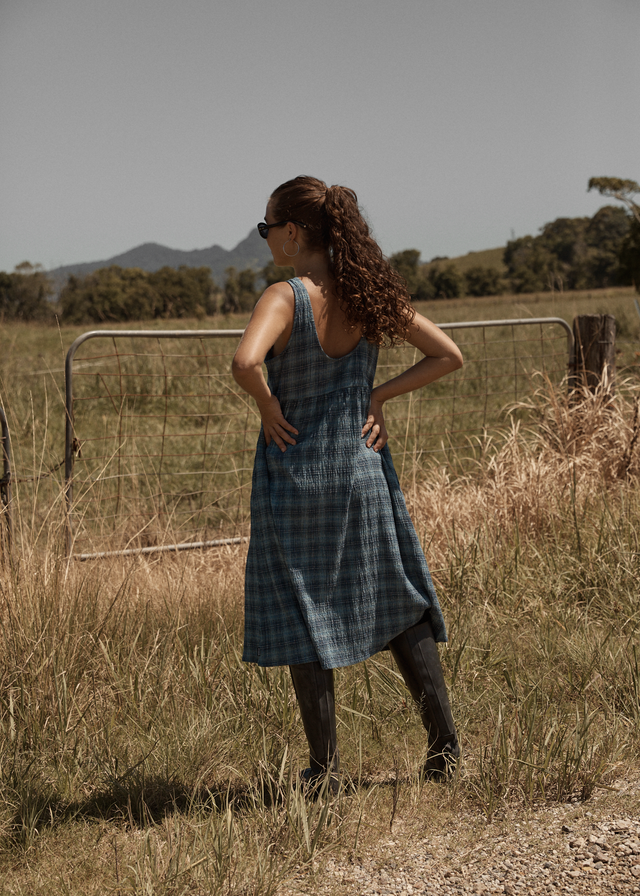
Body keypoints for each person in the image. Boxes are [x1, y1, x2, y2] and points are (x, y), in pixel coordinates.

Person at [232, 176, 463, 792]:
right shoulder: (364, 291)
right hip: (362, 470)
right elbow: (449, 354)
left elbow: (245, 362)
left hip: (297, 478)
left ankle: (326, 770)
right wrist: (377, 396)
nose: (265, 239)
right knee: (398, 597)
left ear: (292, 232)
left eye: (266, 228)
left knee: (303, 606)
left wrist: (267, 405)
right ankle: (445, 749)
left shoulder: (283, 297)